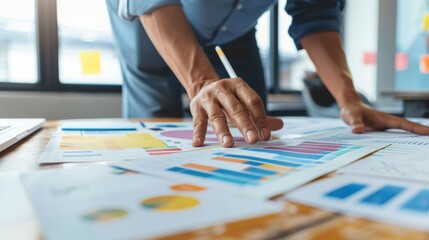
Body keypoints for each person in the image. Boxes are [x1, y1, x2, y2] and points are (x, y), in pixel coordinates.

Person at [106, 0, 429, 148]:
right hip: (150, 15)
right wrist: (201, 82)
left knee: (254, 122)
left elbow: (314, 13)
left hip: (236, 27)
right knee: (155, 122)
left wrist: (349, 100)